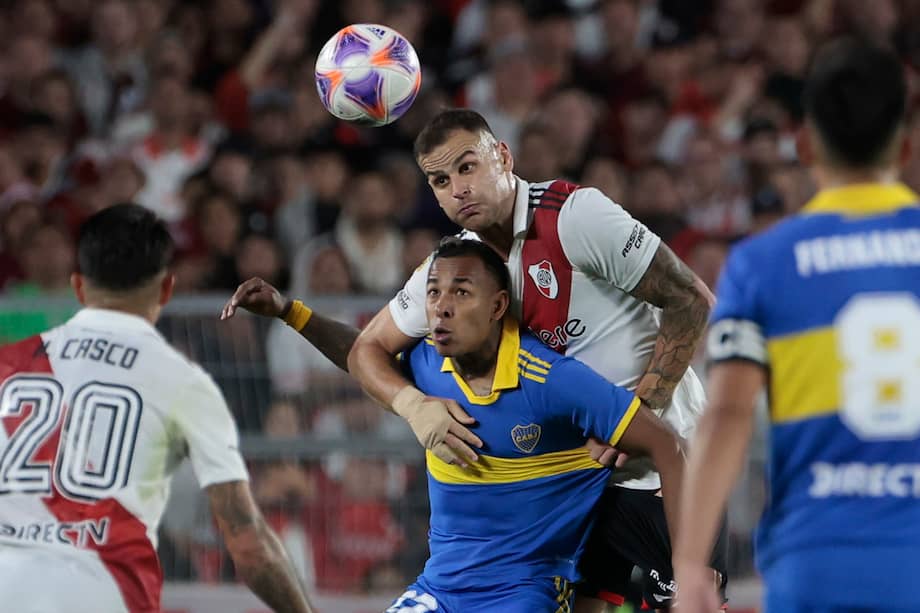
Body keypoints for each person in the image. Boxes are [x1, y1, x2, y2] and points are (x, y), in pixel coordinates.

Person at [224, 108, 724, 610]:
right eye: (440, 180)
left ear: (503, 157)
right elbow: (368, 349)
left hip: (663, 469)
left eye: (468, 167)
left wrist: (644, 409)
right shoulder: (455, 268)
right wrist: (413, 406)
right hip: (577, 488)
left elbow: (691, 299)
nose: (458, 188)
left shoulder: (576, 216)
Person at [674, 37, 920, 613]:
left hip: (817, 562)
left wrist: (688, 566)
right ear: (905, 147)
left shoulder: (763, 264)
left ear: (806, 145)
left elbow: (729, 415)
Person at [0, 204, 315, 613]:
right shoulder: (184, 382)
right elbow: (247, 542)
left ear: (78, 287)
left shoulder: (10, 365)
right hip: (106, 596)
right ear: (166, 290)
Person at [387, 238, 686, 612]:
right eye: (433, 293)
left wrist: (689, 566)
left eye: (461, 293)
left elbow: (670, 447)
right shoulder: (426, 363)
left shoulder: (554, 380)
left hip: (527, 591)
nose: (441, 308)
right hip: (438, 591)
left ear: (497, 305)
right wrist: (295, 313)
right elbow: (362, 355)